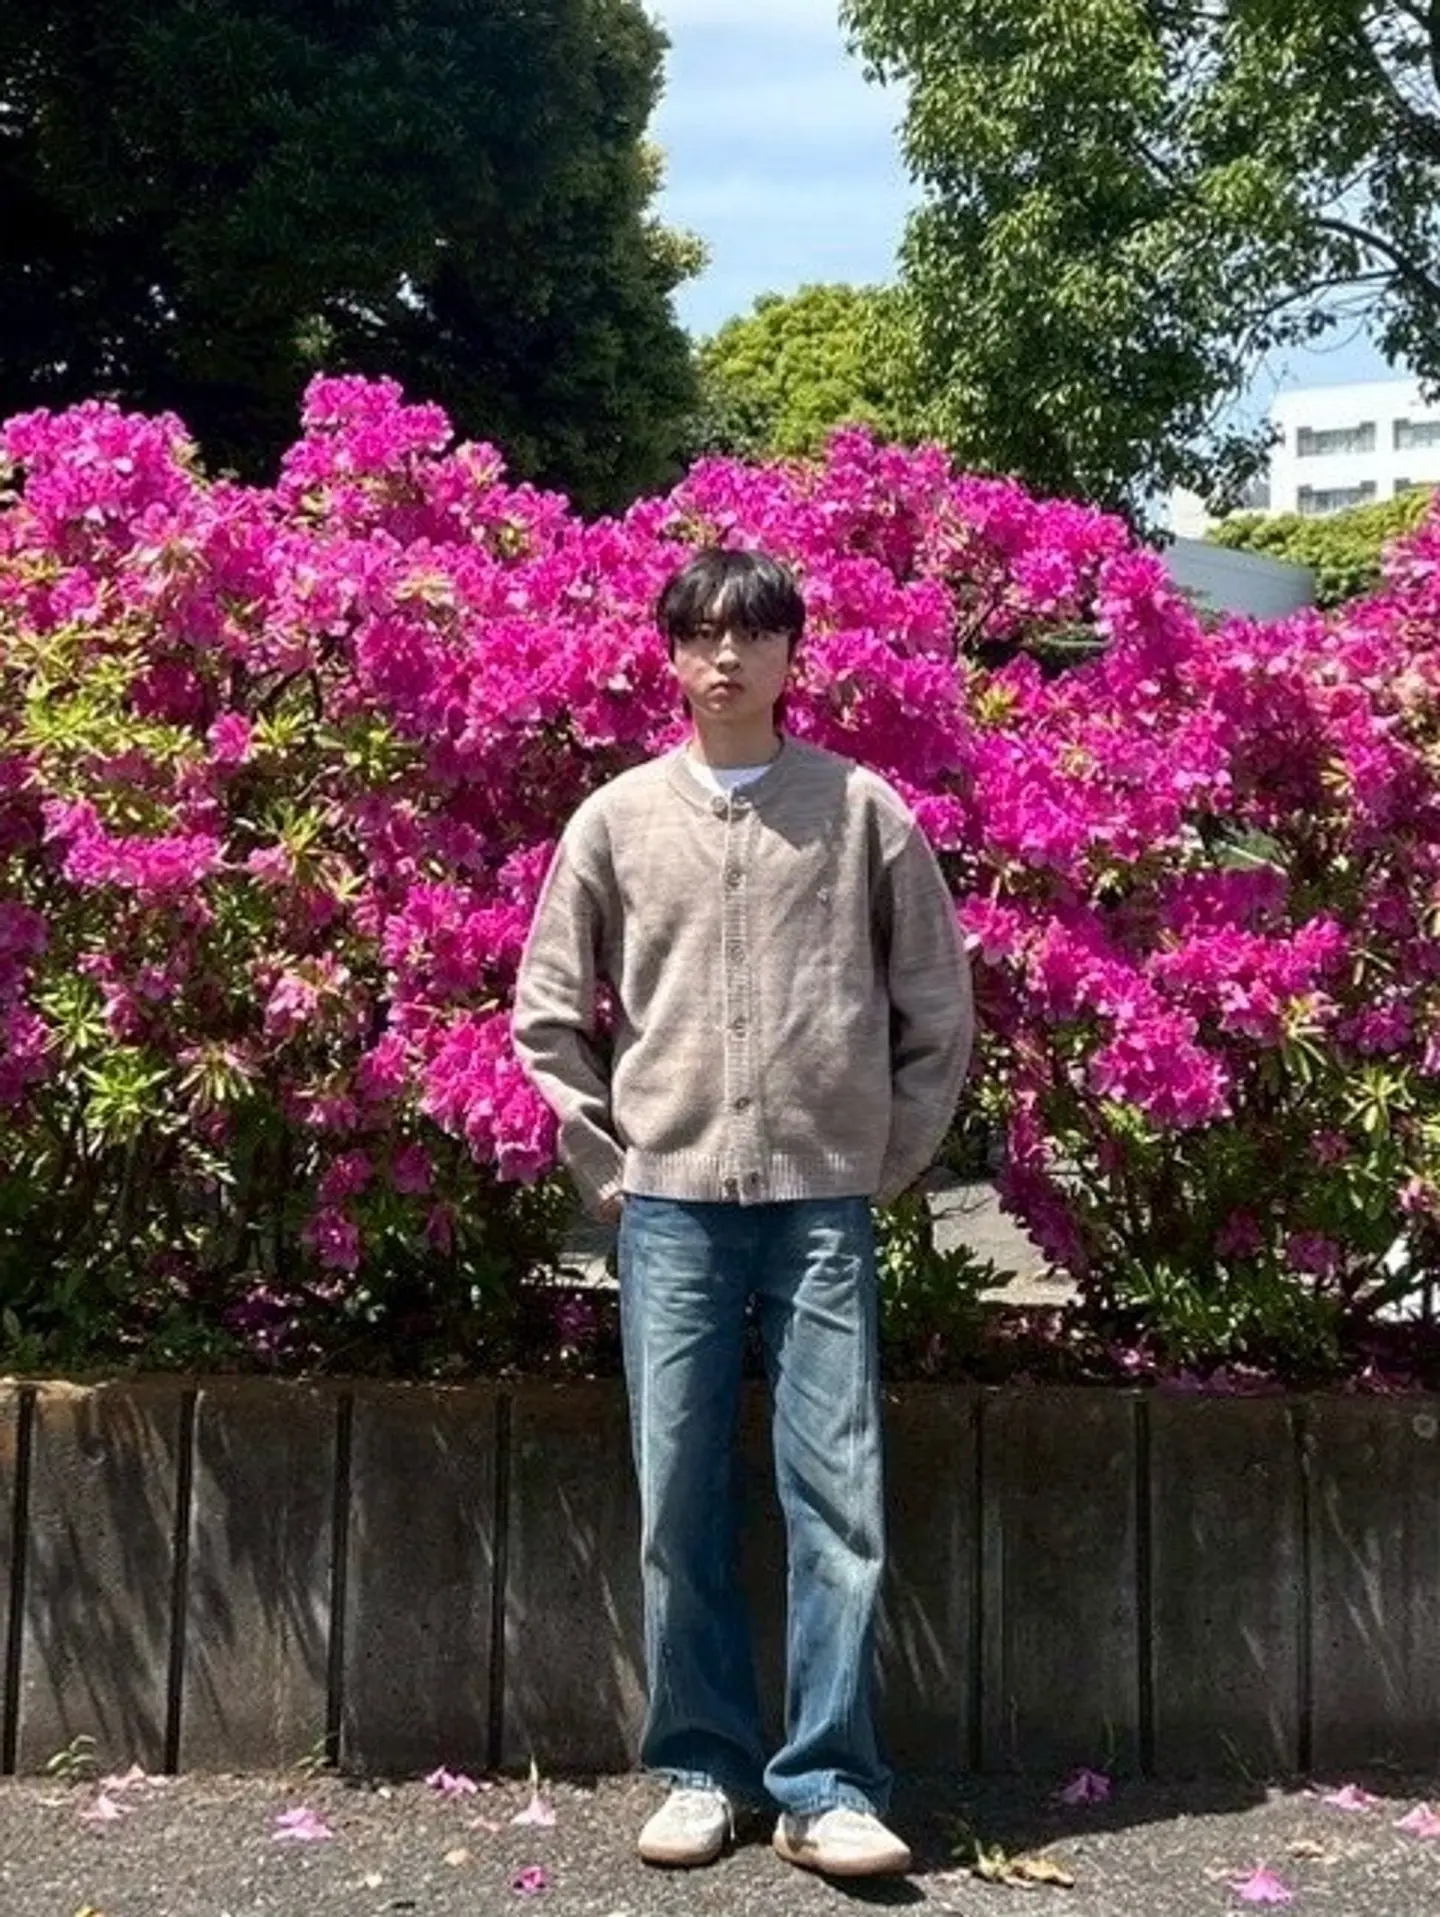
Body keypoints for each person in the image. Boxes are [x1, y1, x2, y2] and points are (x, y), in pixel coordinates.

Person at [512, 547, 973, 1878]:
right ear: (670, 654)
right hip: (669, 1211)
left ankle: (830, 1786)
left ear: (790, 653)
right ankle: (700, 1768)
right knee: (678, 1502)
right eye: (704, 635)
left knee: (840, 1499)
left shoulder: (862, 811)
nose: (728, 657)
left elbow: (936, 1008)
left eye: (754, 634)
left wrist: (882, 1161)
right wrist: (606, 1162)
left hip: (822, 1210)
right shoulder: (617, 819)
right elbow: (549, 1011)